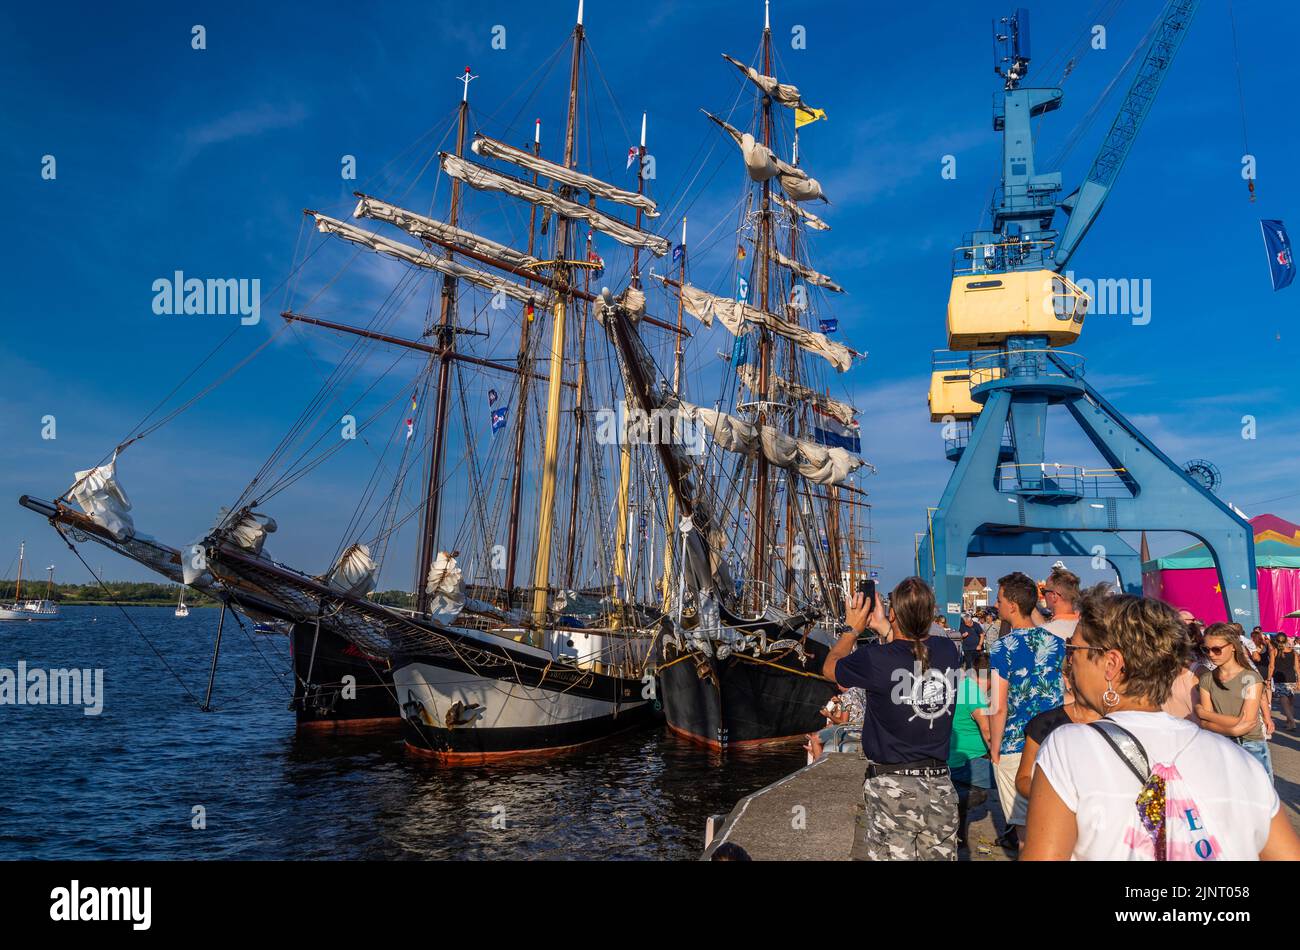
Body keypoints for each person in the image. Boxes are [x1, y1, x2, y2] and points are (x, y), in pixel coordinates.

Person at [1022, 590, 1299, 861]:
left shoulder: (1070, 745)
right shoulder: (1240, 761)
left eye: (1074, 649)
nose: (1070, 659)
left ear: (1111, 663)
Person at [823, 577, 962, 861]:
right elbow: (910, 651)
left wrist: (853, 629)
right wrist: (886, 627)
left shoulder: (875, 659)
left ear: (895, 613)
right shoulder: (949, 652)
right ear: (931, 612)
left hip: (892, 789)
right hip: (940, 786)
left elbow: (830, 667)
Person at [987, 571, 1066, 848]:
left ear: (1012, 605)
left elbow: (998, 706)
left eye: (998, 600)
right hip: (1054, 742)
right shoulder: (1057, 644)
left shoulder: (1002, 647)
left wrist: (994, 749)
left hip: (1015, 744)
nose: (996, 605)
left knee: (1024, 833)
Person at [1195, 623, 1272, 780]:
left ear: (1233, 647)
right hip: (1220, 744)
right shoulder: (1206, 679)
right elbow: (1203, 724)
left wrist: (1205, 714)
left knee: (1261, 798)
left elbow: (1248, 722)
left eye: (1217, 649)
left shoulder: (1250, 678)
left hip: (1250, 745)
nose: (1211, 654)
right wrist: (1232, 725)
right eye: (1206, 649)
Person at [949, 652, 992, 849]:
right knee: (1016, 781)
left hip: (954, 757)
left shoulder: (959, 686)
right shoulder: (972, 691)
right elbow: (986, 729)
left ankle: (958, 830)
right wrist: (996, 753)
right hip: (970, 761)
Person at [1040, 566, 1081, 640]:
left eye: (1044, 592)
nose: (1044, 596)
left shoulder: (1042, 633)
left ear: (1054, 596)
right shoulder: (1088, 629)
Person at [1271, 634, 1299, 731]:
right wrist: (1299, 680)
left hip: (1280, 679)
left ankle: (1292, 721)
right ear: (1286, 640)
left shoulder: (1274, 651)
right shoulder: (1293, 652)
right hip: (1291, 678)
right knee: (1290, 702)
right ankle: (1289, 723)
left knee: (1284, 702)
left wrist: (1268, 679)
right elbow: (1297, 668)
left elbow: (1272, 666)